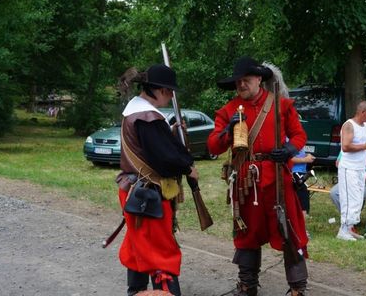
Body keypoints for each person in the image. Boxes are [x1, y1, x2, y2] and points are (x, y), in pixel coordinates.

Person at [207, 57, 309, 296]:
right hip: (245, 181)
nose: (241, 85)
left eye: (246, 80)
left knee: (289, 232)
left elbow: (299, 136)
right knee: (246, 234)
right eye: (238, 82)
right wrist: (227, 131)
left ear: (259, 79)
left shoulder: (281, 105)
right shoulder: (228, 111)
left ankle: (297, 289)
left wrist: (290, 150)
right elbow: (213, 147)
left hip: (277, 179)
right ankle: (247, 286)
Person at [115, 64, 199, 296]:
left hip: (136, 193)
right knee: (162, 255)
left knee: (139, 248)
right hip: (148, 196)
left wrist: (169, 132)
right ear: (159, 90)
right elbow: (165, 159)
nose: (171, 96)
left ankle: (137, 292)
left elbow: (151, 148)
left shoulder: (138, 112)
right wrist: (188, 166)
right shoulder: (148, 117)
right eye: (169, 91)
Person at [336, 101, 366, 241]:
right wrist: (365, 145)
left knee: (358, 200)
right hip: (348, 169)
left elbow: (364, 150)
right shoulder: (349, 125)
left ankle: (349, 228)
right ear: (362, 112)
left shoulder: (364, 125)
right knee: (349, 199)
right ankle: (343, 230)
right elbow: (346, 147)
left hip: (360, 169)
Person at [291, 149, 316, 227]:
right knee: (302, 202)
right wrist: (305, 159)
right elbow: (289, 158)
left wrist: (307, 155)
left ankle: (301, 228)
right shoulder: (288, 139)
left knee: (303, 200)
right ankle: (301, 229)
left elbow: (298, 154)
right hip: (294, 172)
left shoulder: (298, 139)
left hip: (301, 172)